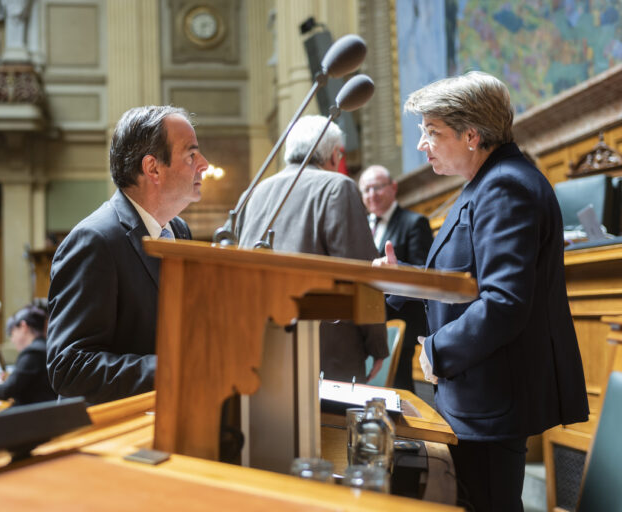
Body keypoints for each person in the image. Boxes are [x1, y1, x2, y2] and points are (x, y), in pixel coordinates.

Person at [374, 71, 589, 511]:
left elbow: (504, 302)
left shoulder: (504, 187)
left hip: (493, 395)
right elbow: (468, 277)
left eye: (432, 132)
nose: (422, 145)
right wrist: (405, 275)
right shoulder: (489, 182)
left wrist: (437, 350)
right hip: (483, 390)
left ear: (472, 135)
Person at [47, 105, 207, 405]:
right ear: (153, 168)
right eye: (191, 155)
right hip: (110, 433)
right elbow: (68, 368)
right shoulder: (94, 241)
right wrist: (172, 369)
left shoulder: (179, 231)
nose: (205, 164)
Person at [235, 115, 388, 383]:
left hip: (260, 348)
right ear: (333, 155)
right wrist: (377, 345)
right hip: (326, 353)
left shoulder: (254, 193)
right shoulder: (337, 187)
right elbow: (362, 274)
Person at [359, 165, 433, 391]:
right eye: (366, 190)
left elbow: (424, 274)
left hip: (402, 319)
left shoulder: (414, 223)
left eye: (378, 187)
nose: (372, 194)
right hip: (371, 318)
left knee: (399, 388)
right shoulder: (363, 226)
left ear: (393, 188)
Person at [0, 304, 55, 405]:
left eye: (12, 333)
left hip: (34, 415)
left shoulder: (33, 352)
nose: (12, 340)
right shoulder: (43, 347)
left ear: (23, 327)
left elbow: (6, 391)